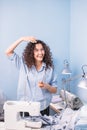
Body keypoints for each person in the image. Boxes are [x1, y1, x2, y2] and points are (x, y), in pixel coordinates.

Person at [5, 36, 58, 116]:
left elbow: (54, 90)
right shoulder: (23, 64)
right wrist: (22, 39)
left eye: (42, 49)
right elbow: (8, 52)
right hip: (25, 107)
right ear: (31, 52)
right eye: (36, 50)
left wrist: (47, 86)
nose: (40, 53)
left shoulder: (49, 69)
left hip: (43, 108)